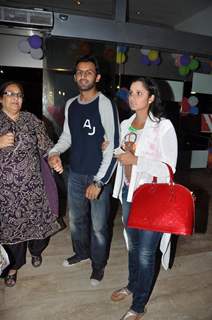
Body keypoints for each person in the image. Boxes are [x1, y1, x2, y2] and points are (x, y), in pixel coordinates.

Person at [48, 55, 119, 286]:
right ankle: (81, 252)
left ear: (97, 76)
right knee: (77, 221)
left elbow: (113, 145)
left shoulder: (104, 103)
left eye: (88, 72)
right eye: (79, 72)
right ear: (75, 76)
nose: (83, 75)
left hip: (97, 175)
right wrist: (54, 152)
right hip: (75, 173)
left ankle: (98, 266)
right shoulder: (71, 104)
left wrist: (99, 182)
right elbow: (67, 137)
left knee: (99, 227)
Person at [111, 77, 178, 319]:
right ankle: (132, 285)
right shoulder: (126, 124)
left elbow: (169, 168)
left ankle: (139, 305)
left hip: (152, 197)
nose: (132, 97)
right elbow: (124, 156)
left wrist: (136, 160)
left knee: (146, 253)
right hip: (130, 193)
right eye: (131, 92)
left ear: (150, 98)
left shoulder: (163, 127)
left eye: (139, 93)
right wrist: (112, 150)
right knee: (133, 247)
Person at [0, 81, 61, 287]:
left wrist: (53, 157)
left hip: (34, 188)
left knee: (38, 227)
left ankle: (36, 251)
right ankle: (14, 266)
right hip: (5, 193)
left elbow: (46, 146)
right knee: (12, 233)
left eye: (19, 94)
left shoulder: (32, 120)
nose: (16, 98)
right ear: (1, 98)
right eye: (10, 94)